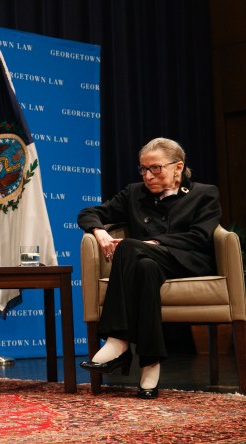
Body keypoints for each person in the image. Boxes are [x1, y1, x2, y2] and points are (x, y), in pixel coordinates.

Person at [77, 137, 221, 399]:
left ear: (178, 167)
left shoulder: (204, 193)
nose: (148, 175)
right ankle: (150, 365)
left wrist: (152, 242)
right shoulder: (134, 193)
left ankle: (117, 342)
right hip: (150, 263)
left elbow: (200, 236)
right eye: (143, 169)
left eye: (156, 168)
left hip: (187, 262)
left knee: (131, 248)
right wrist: (99, 232)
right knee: (144, 266)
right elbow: (88, 213)